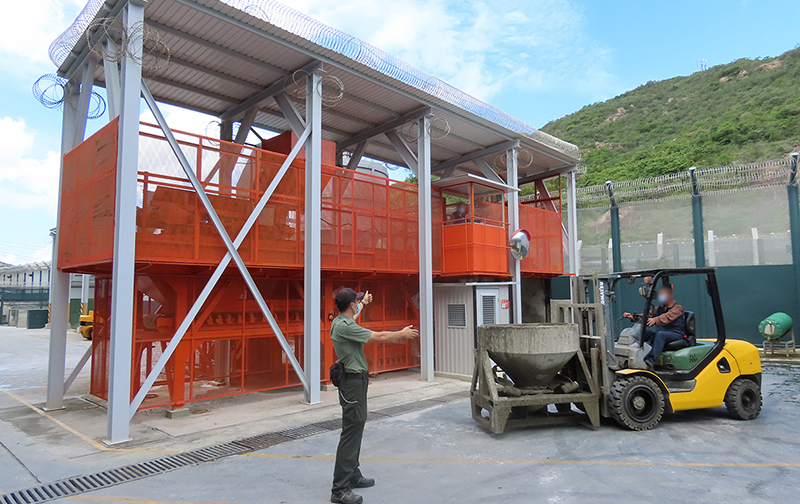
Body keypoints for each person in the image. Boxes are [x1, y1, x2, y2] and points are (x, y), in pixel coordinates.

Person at [330, 288, 419, 504]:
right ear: (350, 305)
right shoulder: (346, 326)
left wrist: (365, 303)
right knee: (351, 431)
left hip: (355, 382)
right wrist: (402, 333)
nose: (358, 302)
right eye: (357, 300)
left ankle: (353, 474)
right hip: (352, 383)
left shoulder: (341, 320)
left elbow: (355, 313)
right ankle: (339, 489)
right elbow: (378, 336)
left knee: (356, 426)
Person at [623, 285, 686, 370]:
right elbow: (647, 315)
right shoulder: (659, 308)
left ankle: (650, 362)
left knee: (660, 335)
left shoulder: (677, 307)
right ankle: (632, 356)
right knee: (643, 333)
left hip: (676, 333)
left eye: (662, 295)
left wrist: (655, 320)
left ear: (669, 295)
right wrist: (634, 317)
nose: (660, 297)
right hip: (663, 332)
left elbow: (667, 317)